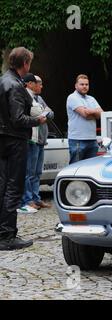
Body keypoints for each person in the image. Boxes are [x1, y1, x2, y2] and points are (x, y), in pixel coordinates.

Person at [0, 47, 47, 250]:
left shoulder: (3, 80)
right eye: (30, 62)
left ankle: (3, 232)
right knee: (14, 187)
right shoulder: (16, 85)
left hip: (3, 139)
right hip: (14, 140)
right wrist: (39, 119)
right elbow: (18, 119)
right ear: (25, 63)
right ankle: (7, 235)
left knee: (3, 186)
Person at [17, 74, 54, 214]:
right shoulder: (27, 96)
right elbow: (36, 115)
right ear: (32, 84)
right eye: (40, 83)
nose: (42, 86)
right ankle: (28, 200)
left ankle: (36, 197)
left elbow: (50, 113)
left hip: (41, 140)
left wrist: (44, 113)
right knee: (29, 172)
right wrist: (43, 113)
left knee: (37, 172)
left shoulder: (39, 98)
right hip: (32, 139)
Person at [66, 74, 103, 164]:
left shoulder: (91, 99)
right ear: (76, 85)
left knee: (90, 169)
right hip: (78, 140)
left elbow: (102, 114)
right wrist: (94, 112)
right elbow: (85, 115)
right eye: (82, 84)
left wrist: (90, 111)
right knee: (76, 169)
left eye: (86, 84)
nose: (84, 86)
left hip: (92, 139)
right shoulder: (72, 97)